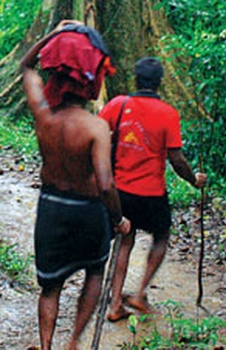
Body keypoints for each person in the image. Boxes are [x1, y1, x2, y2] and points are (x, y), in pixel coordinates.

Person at [21, 20, 131, 350]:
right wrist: (118, 219)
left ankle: (46, 345)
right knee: (95, 274)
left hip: (52, 207)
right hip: (88, 212)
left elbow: (26, 66)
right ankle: (73, 342)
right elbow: (105, 184)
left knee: (50, 287)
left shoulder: (43, 114)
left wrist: (55, 34)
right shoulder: (96, 127)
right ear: (91, 84)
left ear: (55, 78)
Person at [98, 57, 207, 322]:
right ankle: (139, 291)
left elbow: (97, 133)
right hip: (152, 193)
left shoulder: (117, 105)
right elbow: (177, 160)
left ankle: (114, 304)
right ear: (159, 83)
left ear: (136, 79)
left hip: (121, 191)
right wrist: (194, 180)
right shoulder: (168, 114)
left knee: (126, 239)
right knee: (161, 237)